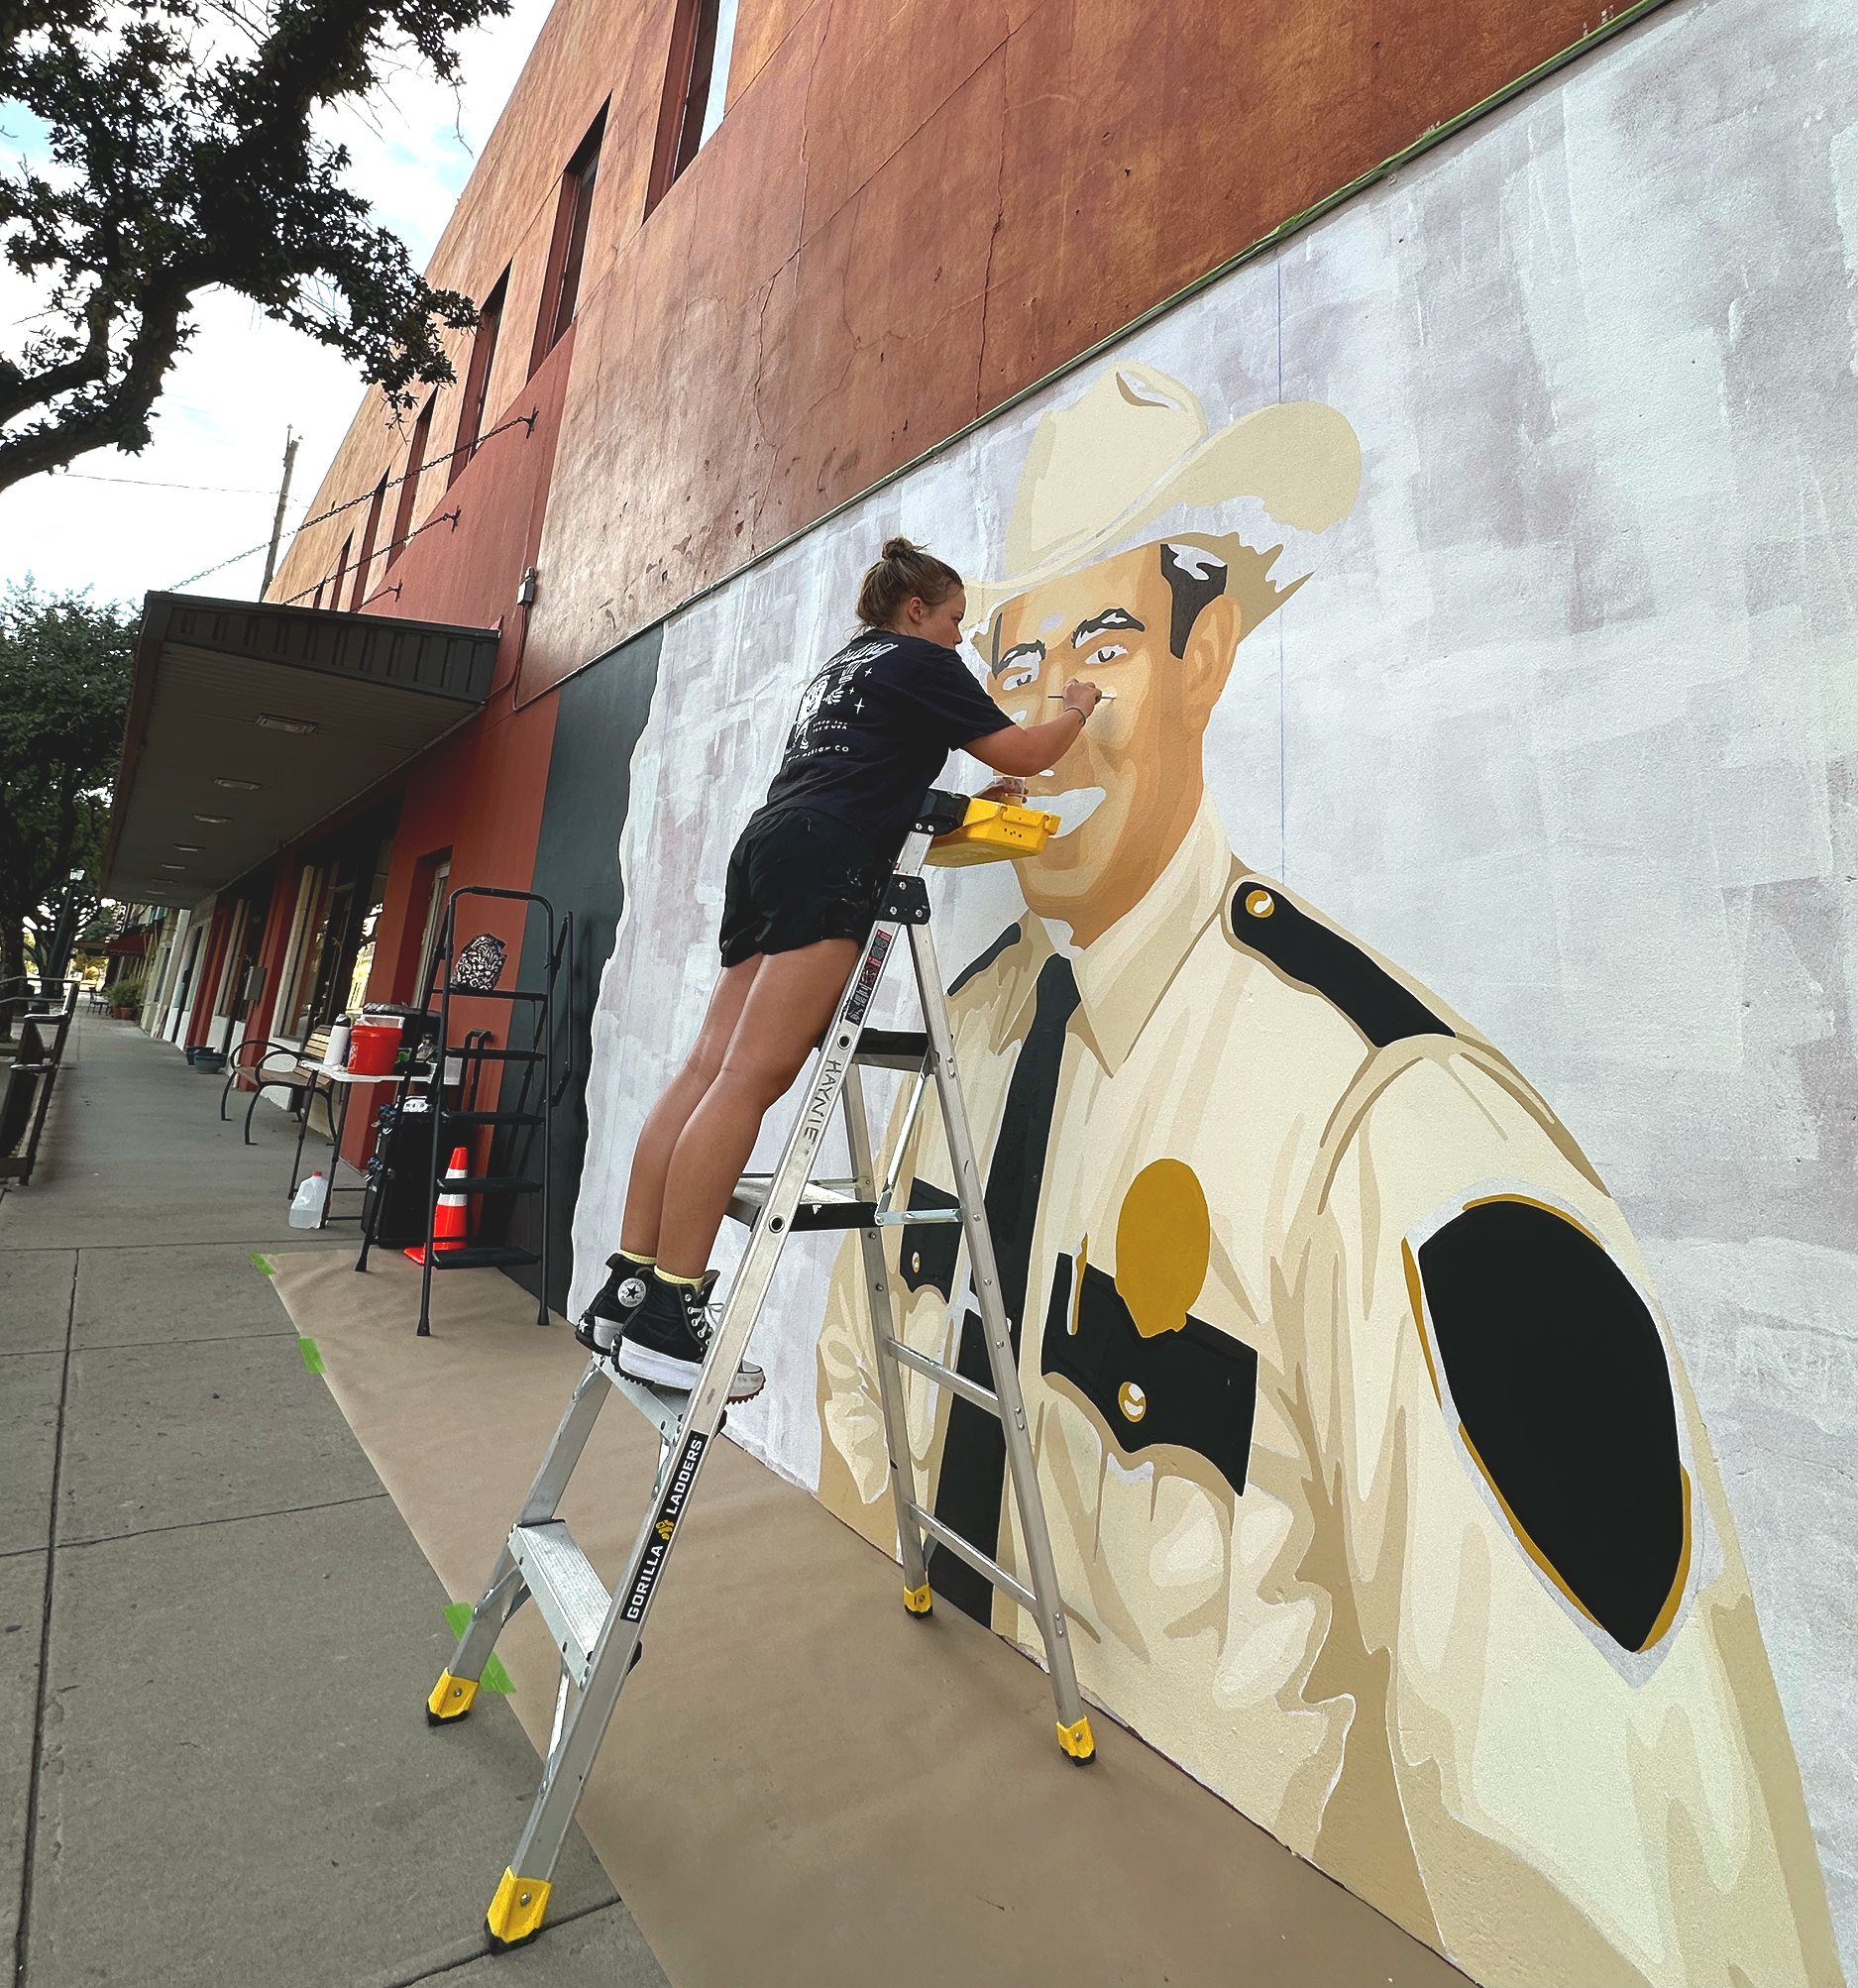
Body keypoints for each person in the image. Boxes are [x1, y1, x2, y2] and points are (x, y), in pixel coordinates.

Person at [816, 365, 1839, 1988]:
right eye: (1018, 660)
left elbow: (1619, 1896)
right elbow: (865, 1401)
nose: (1054, 705)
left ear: (1210, 656)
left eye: (1107, 644)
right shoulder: (960, 1051)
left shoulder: (1391, 1132)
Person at [579, 536, 1104, 1398]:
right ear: (916, 610)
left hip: (771, 847)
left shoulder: (845, 668)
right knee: (750, 1077)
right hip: (826, 861)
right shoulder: (917, 658)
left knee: (709, 1067)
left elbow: (861, 782)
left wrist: (960, 809)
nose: (961, 641)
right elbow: (1020, 752)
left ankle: (630, 1283)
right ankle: (672, 1313)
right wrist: (1075, 706)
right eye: (956, 622)